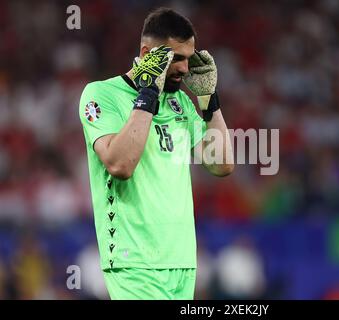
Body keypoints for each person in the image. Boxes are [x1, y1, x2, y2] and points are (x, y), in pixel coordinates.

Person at [79, 7, 234, 299]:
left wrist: (209, 102)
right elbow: (120, 164)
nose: (185, 69)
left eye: (188, 58)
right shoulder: (101, 95)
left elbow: (221, 165)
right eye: (175, 58)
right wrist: (148, 94)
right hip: (134, 260)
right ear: (146, 52)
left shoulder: (181, 103)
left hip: (182, 262)